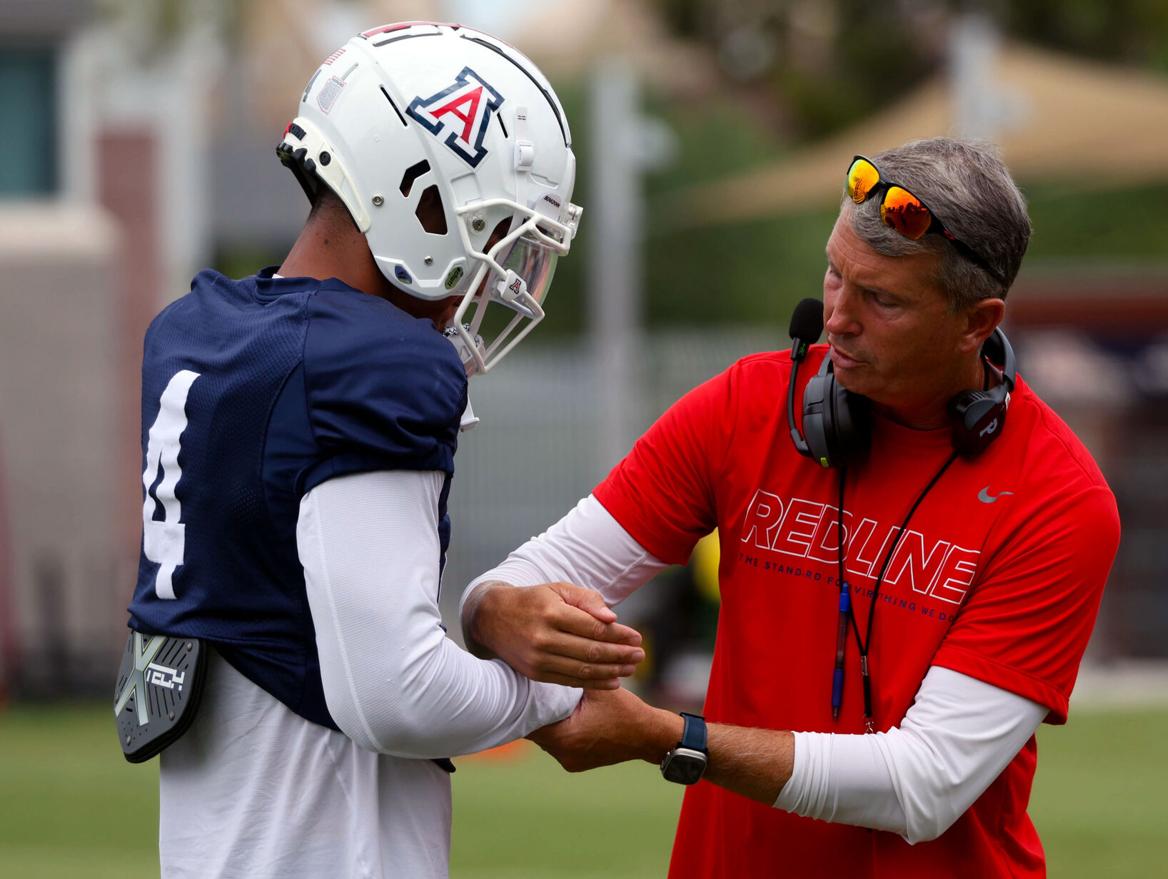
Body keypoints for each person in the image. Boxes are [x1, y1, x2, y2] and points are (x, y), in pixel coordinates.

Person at [461, 138, 1120, 878]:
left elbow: (923, 782)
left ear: (977, 321)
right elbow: (533, 574)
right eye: (835, 274)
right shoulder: (745, 405)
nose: (836, 317)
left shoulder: (1060, 502)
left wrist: (666, 736)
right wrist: (491, 613)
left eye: (882, 299)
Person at [115, 22, 631, 879]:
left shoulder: (199, 333)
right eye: (496, 229)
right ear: (420, 199)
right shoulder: (370, 360)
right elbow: (400, 694)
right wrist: (553, 695)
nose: (492, 276)